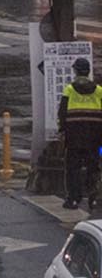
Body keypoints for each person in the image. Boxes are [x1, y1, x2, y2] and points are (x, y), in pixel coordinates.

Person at [65, 57, 102, 208]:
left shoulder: (69, 90)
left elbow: (62, 114)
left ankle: (74, 199)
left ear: (75, 71)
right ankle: (93, 198)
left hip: (74, 138)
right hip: (95, 138)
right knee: (93, 167)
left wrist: (62, 131)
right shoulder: (99, 91)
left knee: (73, 168)